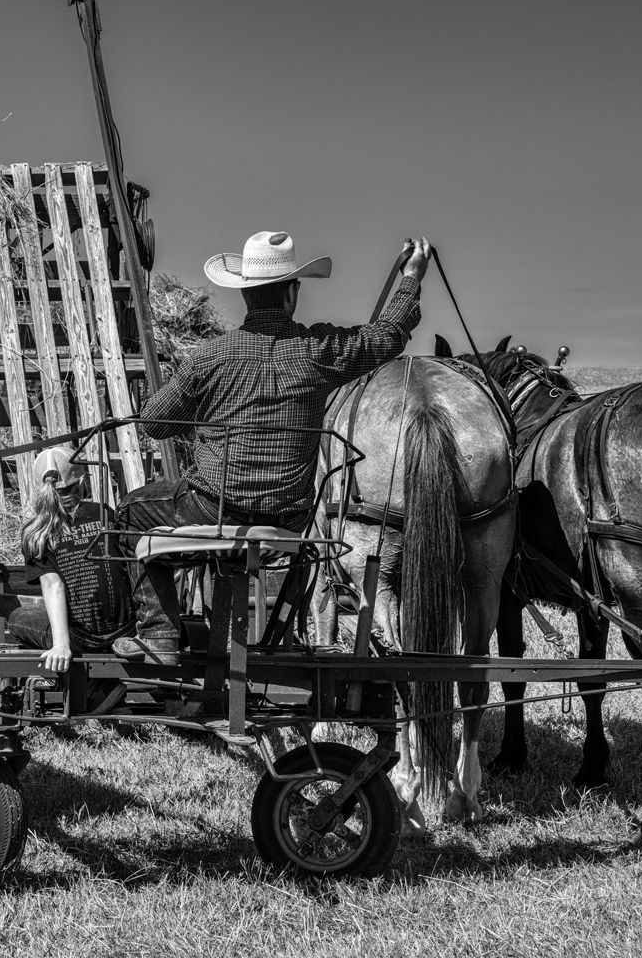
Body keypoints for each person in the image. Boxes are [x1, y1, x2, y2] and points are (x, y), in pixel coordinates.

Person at [110, 231, 431, 663]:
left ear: (244, 292)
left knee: (131, 510)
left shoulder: (210, 357)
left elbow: (154, 422)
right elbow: (388, 334)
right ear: (292, 292)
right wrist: (411, 278)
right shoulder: (319, 351)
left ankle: (159, 634)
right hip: (290, 516)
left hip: (213, 509)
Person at [5, 445, 134, 673]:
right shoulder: (104, 512)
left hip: (80, 640)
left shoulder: (35, 533)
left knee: (17, 617)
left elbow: (54, 586)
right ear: (82, 483)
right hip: (126, 632)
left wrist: (61, 645)